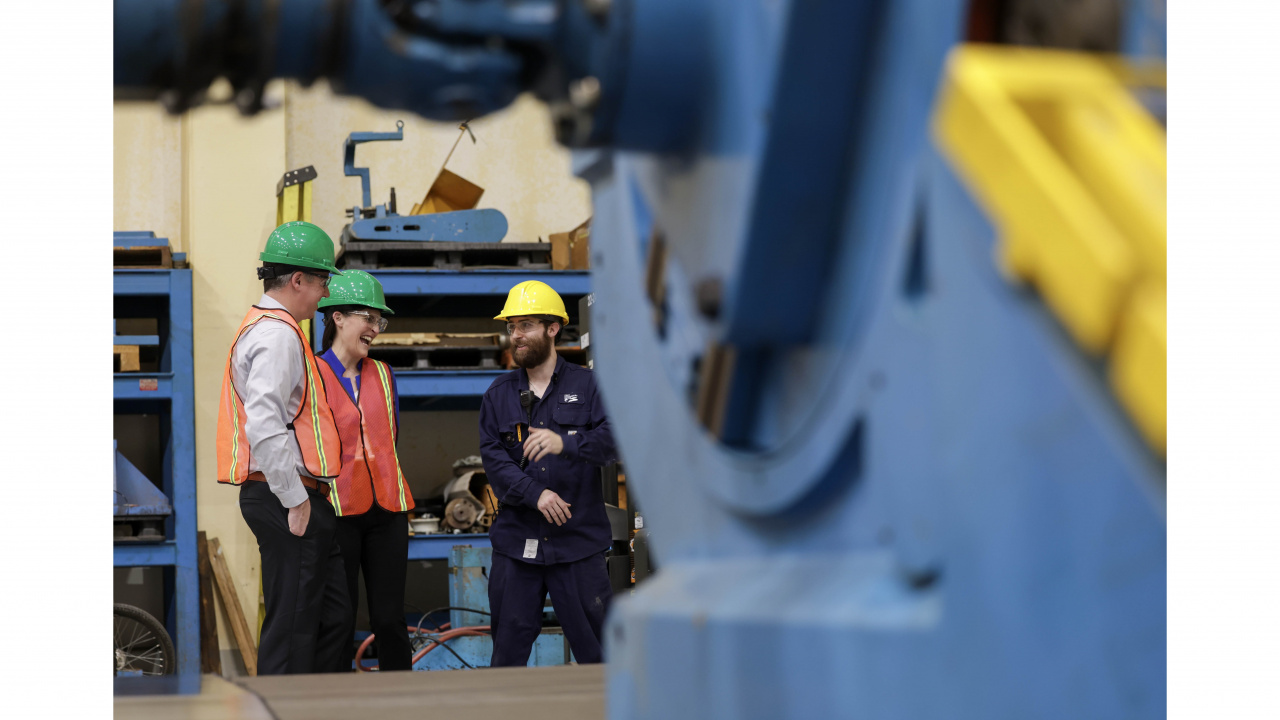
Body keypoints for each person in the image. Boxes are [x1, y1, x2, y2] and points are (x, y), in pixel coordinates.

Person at [215, 221, 351, 675]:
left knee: (332, 618)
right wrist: (294, 499)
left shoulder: (277, 330)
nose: (325, 292)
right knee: (292, 628)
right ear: (298, 280)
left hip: (301, 494)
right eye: (322, 281)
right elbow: (265, 422)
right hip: (284, 496)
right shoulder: (276, 335)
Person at [478, 280, 619, 666]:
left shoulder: (590, 387)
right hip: (517, 546)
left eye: (525, 325)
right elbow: (494, 458)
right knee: (506, 657)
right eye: (511, 327)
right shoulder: (498, 394)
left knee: (601, 656)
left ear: (552, 328)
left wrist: (566, 443)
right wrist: (534, 493)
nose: (515, 336)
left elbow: (614, 442)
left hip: (577, 546)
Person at [314, 270, 416, 671]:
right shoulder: (314, 374)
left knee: (390, 619)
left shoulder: (384, 375)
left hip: (388, 511)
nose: (375, 328)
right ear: (337, 317)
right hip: (337, 513)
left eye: (380, 321)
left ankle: (401, 704)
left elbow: (389, 439)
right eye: (368, 318)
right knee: (338, 621)